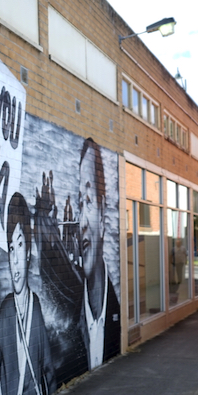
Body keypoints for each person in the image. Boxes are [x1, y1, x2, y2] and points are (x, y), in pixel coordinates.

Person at [0, 192, 54, 395]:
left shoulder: (35, 305)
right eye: (10, 248)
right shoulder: (5, 310)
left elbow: (47, 368)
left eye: (20, 246)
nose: (14, 259)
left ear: (28, 252)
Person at [77, 138, 121, 369]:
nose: (82, 221)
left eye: (88, 201)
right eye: (79, 204)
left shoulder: (120, 313)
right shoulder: (70, 323)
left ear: (103, 214)